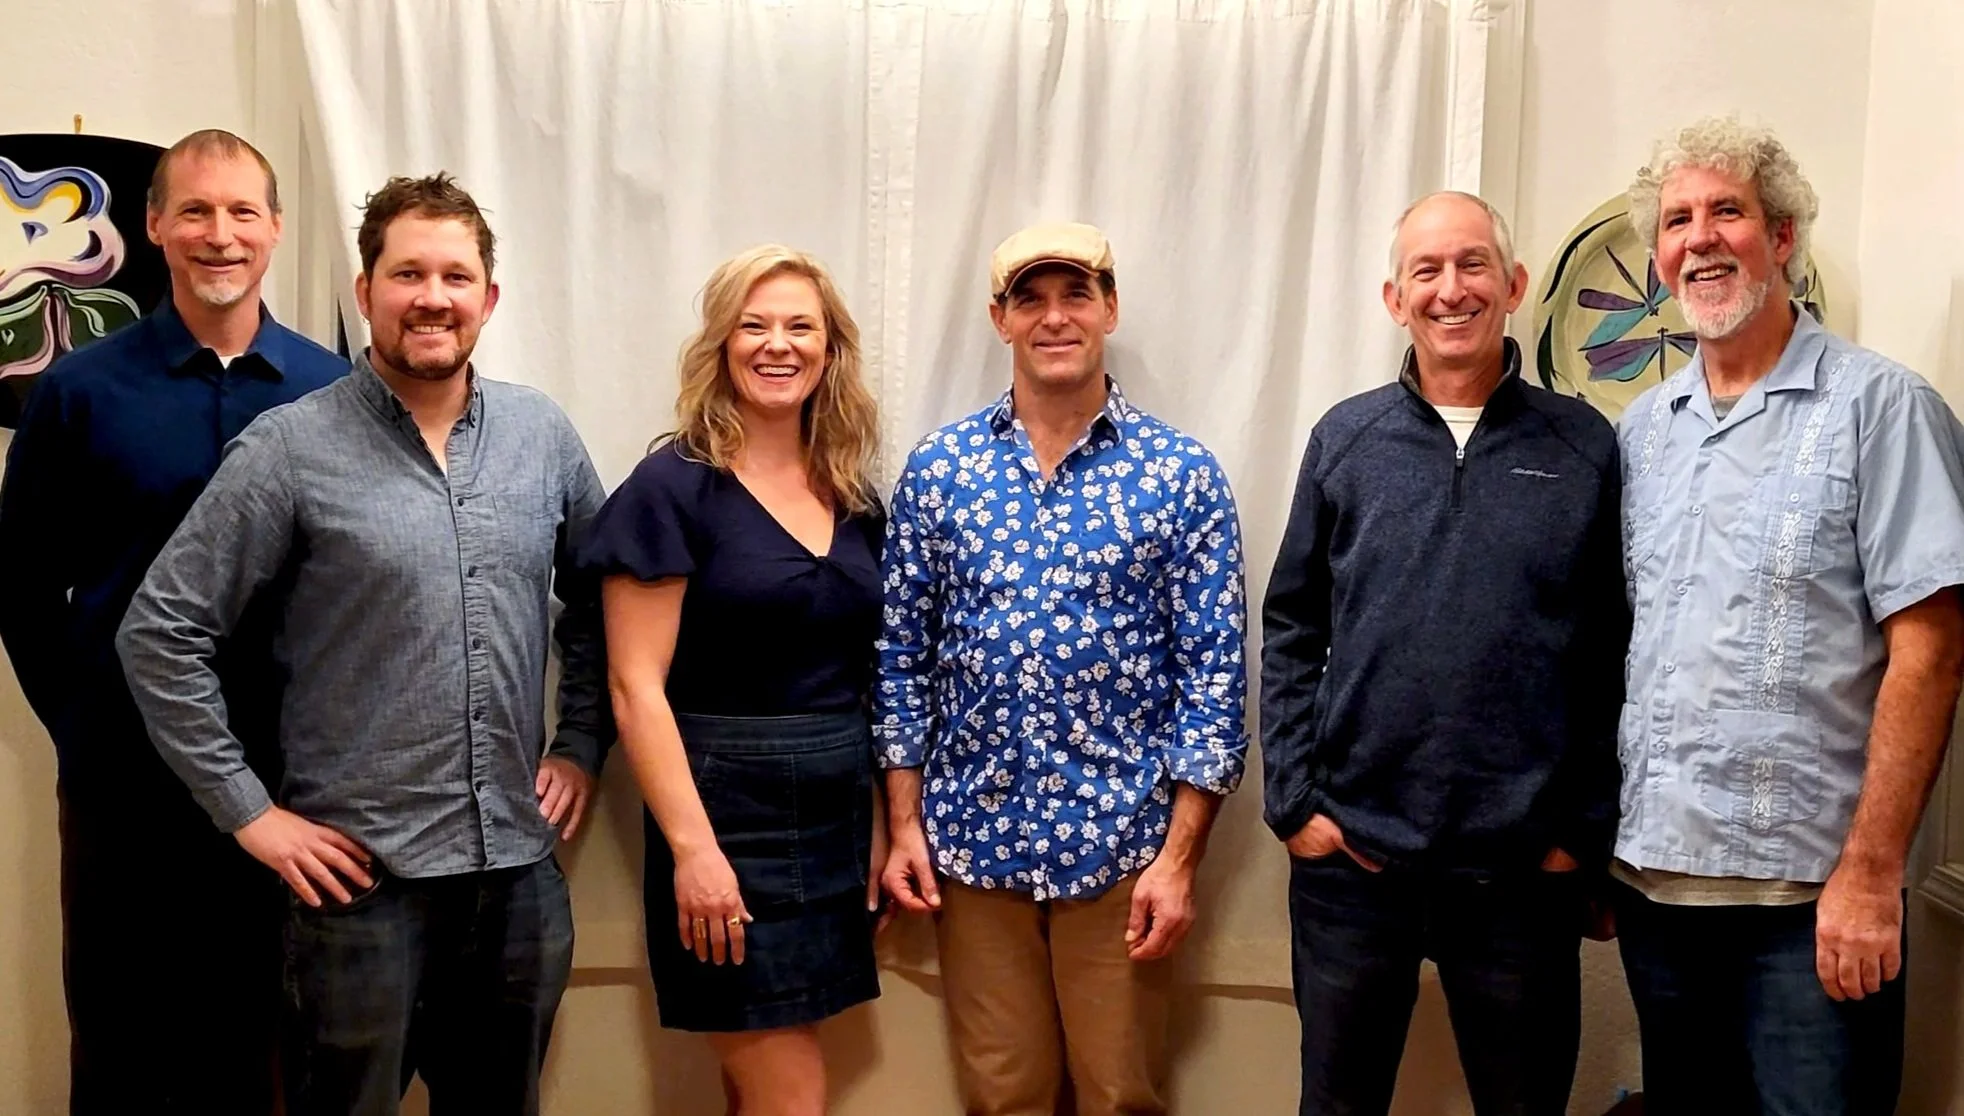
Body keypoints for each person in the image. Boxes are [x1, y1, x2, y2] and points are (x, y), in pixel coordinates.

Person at [115, 172, 608, 1116]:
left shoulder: (542, 435)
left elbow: (596, 603)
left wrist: (581, 743)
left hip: (516, 873)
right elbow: (162, 631)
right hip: (356, 888)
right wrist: (248, 812)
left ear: (489, 299)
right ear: (365, 292)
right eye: (407, 273)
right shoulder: (289, 448)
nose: (433, 297)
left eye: (456, 276)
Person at [1612, 117, 1964, 1115]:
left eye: (1727, 209)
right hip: (1653, 889)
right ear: (1658, 260)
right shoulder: (1642, 431)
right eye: (1677, 220)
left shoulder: (1880, 406)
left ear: (1781, 238)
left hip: (1806, 908)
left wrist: (1869, 875)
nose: (1700, 236)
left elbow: (1929, 655)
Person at [0, 128, 347, 1116]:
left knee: (276, 1043)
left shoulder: (334, 393)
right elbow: (23, 588)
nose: (219, 234)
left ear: (275, 229)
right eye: (194, 210)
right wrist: (84, 727)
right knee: (124, 1045)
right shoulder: (78, 392)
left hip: (292, 785)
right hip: (128, 789)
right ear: (153, 226)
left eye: (242, 211)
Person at [1260, 191, 1626, 1116]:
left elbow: (1614, 649)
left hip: (1520, 877)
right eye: (1427, 271)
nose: (1450, 289)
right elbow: (1294, 625)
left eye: (1471, 266)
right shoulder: (1345, 441)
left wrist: (1579, 835)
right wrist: (1296, 804)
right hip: (1356, 866)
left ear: (1514, 285)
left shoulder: (1583, 446)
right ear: (1395, 297)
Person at [877, 221, 1247, 1116]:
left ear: (1109, 308)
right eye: (1030, 298)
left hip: (1122, 847)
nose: (1055, 317)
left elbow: (1214, 681)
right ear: (999, 318)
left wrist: (1179, 861)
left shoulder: (1181, 475)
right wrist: (903, 825)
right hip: (973, 846)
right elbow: (900, 662)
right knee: (1004, 1096)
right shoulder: (940, 471)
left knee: (1121, 1095)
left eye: (1075, 294)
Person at [581, 245, 886, 1114]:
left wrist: (872, 824)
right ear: (719, 344)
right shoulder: (670, 487)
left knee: (762, 1095)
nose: (777, 344)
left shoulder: (852, 491)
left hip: (831, 823)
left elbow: (858, 675)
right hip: (726, 827)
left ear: (831, 350)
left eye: (801, 326)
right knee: (791, 1101)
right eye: (753, 325)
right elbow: (636, 688)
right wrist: (694, 852)